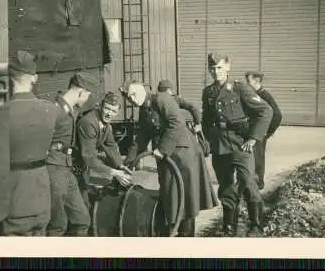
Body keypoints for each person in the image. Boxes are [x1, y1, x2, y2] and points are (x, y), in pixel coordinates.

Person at [120, 80, 218, 237]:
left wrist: (162, 149)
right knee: (170, 194)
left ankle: (186, 235)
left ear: (142, 89)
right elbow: (141, 138)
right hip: (167, 157)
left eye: (134, 93)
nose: (132, 98)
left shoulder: (161, 100)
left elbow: (177, 123)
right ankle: (173, 231)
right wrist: (128, 163)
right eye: (128, 97)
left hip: (183, 154)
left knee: (185, 195)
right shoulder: (144, 110)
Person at [201, 52, 273, 237]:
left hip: (240, 144)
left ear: (228, 67)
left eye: (219, 67)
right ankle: (229, 226)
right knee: (226, 187)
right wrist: (208, 139)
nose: (215, 72)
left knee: (248, 183)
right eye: (212, 68)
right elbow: (206, 120)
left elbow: (266, 111)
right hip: (220, 147)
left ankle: (256, 224)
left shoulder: (240, 89)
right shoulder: (208, 92)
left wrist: (253, 138)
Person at [1, 50, 57, 236]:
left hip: (14, 199)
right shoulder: (49, 110)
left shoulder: (0, 114)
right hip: (42, 198)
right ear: (35, 78)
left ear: (9, 78)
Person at [45, 72, 99, 237]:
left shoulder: (69, 111)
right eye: (87, 95)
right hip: (54, 169)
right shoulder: (55, 110)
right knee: (58, 225)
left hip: (66, 169)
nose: (86, 100)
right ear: (81, 92)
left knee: (82, 219)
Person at [74, 92, 134, 209]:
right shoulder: (89, 122)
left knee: (83, 199)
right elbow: (89, 158)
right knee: (78, 201)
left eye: (113, 111)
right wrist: (115, 173)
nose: (109, 113)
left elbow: (110, 144)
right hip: (72, 165)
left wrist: (120, 165)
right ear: (100, 107)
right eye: (107, 109)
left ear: (117, 112)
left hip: (83, 166)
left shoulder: (106, 124)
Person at [245, 71, 283, 190]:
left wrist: (267, 131)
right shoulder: (253, 94)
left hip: (259, 133)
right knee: (252, 157)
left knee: (258, 157)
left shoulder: (264, 95)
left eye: (248, 81)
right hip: (254, 131)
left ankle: (259, 183)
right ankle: (252, 181)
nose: (246, 83)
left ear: (256, 81)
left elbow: (277, 115)